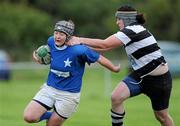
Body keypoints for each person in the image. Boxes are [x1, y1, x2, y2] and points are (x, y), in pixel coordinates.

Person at [68, 5, 174, 126]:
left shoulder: (132, 30)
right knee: (116, 97)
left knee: (162, 117)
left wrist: (78, 39)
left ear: (126, 19)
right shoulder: (130, 32)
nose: (117, 22)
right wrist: (81, 46)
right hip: (140, 76)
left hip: (160, 80)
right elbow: (106, 47)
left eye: (119, 19)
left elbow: (105, 45)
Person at [23, 20, 120, 126]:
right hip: (49, 89)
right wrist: (40, 58)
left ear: (68, 36)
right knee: (29, 117)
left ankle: (56, 119)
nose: (57, 37)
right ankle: (53, 116)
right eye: (56, 33)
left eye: (61, 34)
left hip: (68, 96)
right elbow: (49, 55)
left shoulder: (79, 50)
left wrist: (114, 69)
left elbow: (99, 58)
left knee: (51, 125)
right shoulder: (51, 41)